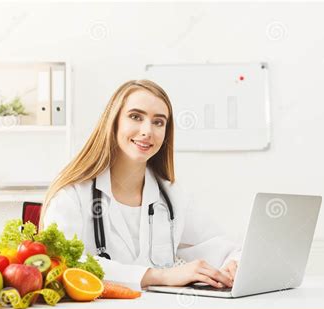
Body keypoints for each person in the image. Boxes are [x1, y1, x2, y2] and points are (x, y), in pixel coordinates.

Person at [40, 79, 241, 290]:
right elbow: (64, 263)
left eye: (158, 122)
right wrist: (159, 276)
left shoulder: (172, 195)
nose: (147, 131)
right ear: (114, 121)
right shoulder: (72, 195)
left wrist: (232, 265)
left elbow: (225, 247)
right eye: (136, 117)